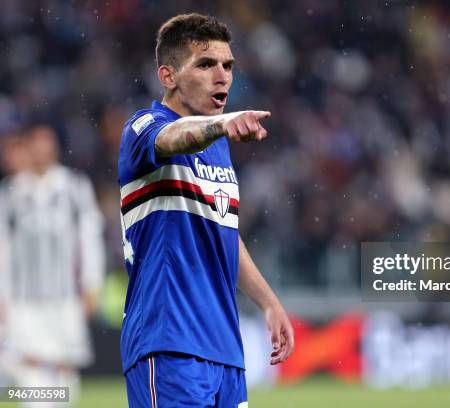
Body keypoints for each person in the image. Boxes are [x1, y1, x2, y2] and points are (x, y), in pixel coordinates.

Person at [118, 13, 294, 407]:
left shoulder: (218, 145)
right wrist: (221, 125)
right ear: (168, 76)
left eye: (227, 65)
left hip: (226, 352)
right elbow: (173, 137)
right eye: (205, 64)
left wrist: (269, 302)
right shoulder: (143, 127)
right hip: (168, 344)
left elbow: (224, 231)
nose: (222, 76)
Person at [0, 125, 105, 407]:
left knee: (65, 370)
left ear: (55, 147)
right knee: (27, 368)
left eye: (46, 143)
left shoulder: (74, 187)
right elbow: (3, 249)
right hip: (24, 300)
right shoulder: (11, 193)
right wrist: (2, 295)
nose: (41, 150)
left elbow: (89, 238)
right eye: (35, 143)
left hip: (65, 296)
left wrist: (92, 283)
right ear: (28, 147)